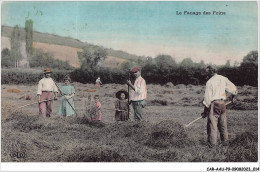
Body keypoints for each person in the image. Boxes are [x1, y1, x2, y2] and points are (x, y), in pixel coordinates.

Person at [201, 65, 238, 148]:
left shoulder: (209, 82)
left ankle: (212, 145)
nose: (206, 74)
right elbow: (233, 88)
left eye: (207, 72)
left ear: (211, 71)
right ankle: (225, 144)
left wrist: (205, 111)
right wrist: (233, 96)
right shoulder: (223, 78)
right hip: (222, 104)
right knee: (223, 125)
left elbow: (207, 99)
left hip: (215, 104)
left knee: (212, 125)